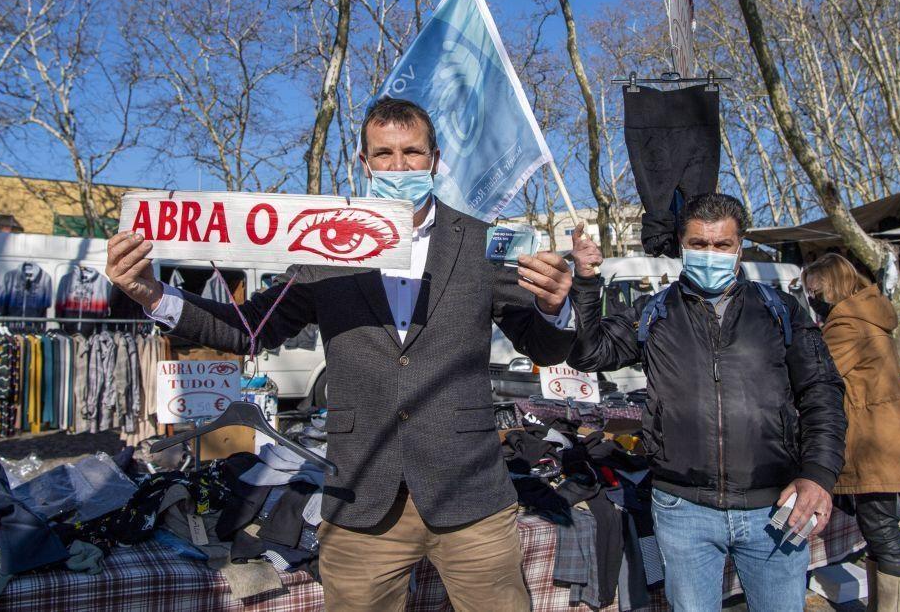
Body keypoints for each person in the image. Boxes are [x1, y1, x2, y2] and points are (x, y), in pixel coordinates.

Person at [106, 97, 575, 611]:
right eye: (384, 154)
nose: (399, 167)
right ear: (363, 162)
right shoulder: (325, 246)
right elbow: (249, 330)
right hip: (361, 498)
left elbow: (542, 344)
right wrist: (155, 295)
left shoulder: (482, 242)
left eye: (412, 153)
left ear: (436, 159)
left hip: (472, 496)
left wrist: (555, 309)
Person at [566, 193, 847, 612]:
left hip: (773, 504)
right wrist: (586, 282)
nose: (710, 254)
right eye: (699, 244)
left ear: (739, 247)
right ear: (682, 246)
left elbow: (822, 392)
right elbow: (588, 353)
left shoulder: (780, 311)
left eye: (721, 245)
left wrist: (819, 474)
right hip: (683, 509)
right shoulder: (653, 313)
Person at [802, 253, 900, 611]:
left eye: (814, 290)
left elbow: (817, 375)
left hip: (874, 442)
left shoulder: (847, 325)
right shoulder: (867, 314)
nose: (811, 298)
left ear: (831, 285)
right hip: (888, 436)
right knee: (880, 534)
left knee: (882, 534)